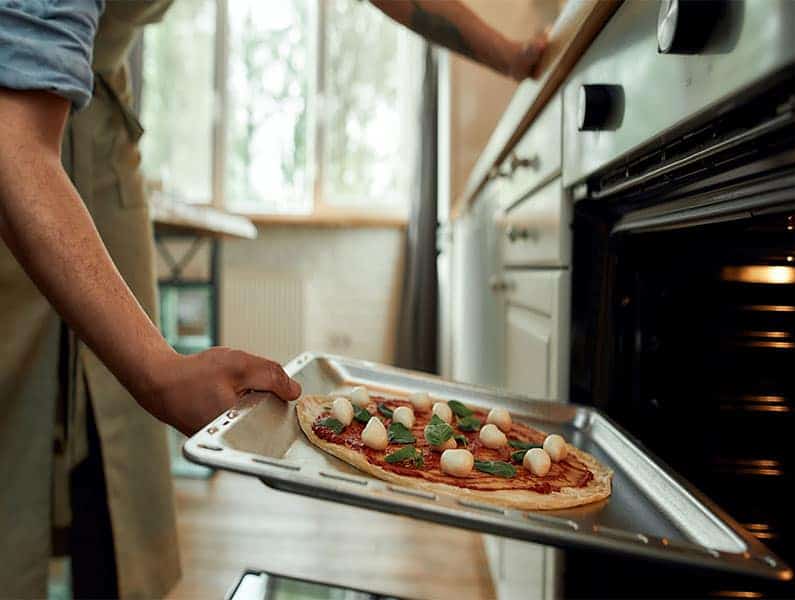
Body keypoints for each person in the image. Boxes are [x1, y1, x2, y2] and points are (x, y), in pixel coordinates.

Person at [0, 0, 547, 597]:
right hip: (19, 151)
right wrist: (160, 374)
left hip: (98, 146)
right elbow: (14, 142)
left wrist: (515, 57)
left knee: (116, 456)